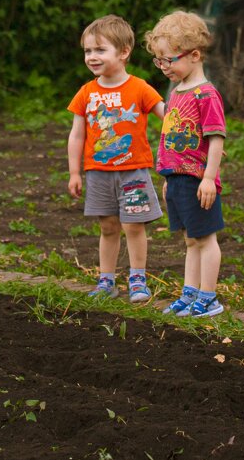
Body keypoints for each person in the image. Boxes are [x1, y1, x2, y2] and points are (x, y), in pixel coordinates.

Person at [66, 15, 166, 304]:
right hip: (98, 172)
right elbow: (76, 135)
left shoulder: (140, 88)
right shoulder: (86, 92)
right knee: (108, 226)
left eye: (100, 50)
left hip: (133, 171)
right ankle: (106, 280)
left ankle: (138, 278)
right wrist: (75, 173)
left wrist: (194, 131)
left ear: (124, 52)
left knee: (134, 226)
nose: (92, 57)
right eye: (88, 51)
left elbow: (167, 117)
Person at [144, 11, 227, 318]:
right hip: (179, 179)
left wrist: (208, 178)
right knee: (191, 240)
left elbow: (216, 138)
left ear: (194, 55)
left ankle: (209, 298)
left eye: (169, 60)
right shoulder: (178, 92)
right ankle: (189, 293)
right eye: (159, 60)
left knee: (206, 239)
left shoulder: (206, 94)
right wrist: (169, 176)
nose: (164, 67)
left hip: (198, 180)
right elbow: (172, 136)